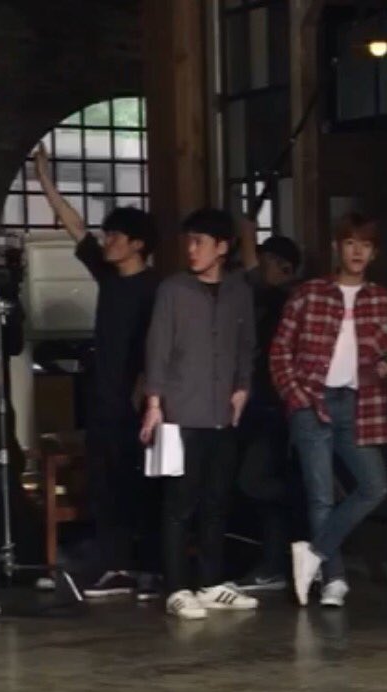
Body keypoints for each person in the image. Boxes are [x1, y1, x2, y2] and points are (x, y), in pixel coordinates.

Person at [34, 145, 159, 598]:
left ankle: (141, 567)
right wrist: (45, 182)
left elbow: (159, 349)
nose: (107, 241)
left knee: (135, 484)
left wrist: (146, 394)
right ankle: (114, 567)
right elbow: (77, 227)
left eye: (116, 236)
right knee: (104, 484)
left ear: (137, 244)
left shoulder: (155, 288)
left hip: (137, 403)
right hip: (103, 398)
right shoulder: (109, 277)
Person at [270, 212, 387, 609]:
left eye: (365, 245)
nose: (357, 252)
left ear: (374, 252)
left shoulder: (384, 300)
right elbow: (280, 350)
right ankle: (333, 579)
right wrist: (296, 396)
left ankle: (313, 554)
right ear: (338, 248)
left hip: (359, 403)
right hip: (312, 400)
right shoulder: (310, 294)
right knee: (320, 496)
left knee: (374, 486)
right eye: (350, 243)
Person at [140, 208, 258, 621]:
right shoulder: (173, 290)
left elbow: (246, 344)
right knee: (179, 504)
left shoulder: (239, 290)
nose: (191, 249)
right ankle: (177, 587)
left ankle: (211, 582)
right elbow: (157, 347)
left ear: (221, 247)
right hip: (181, 411)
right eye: (189, 241)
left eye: (200, 242)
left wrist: (242, 387)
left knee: (216, 501)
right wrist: (154, 404)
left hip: (222, 412)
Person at [230, 218, 302, 593]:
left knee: (255, 481)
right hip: (260, 407)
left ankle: (309, 503)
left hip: (276, 409)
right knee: (261, 486)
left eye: (268, 262)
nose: (261, 268)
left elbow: (253, 278)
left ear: (285, 268)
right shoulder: (266, 299)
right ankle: (274, 563)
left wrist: (246, 237)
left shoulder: (286, 299)